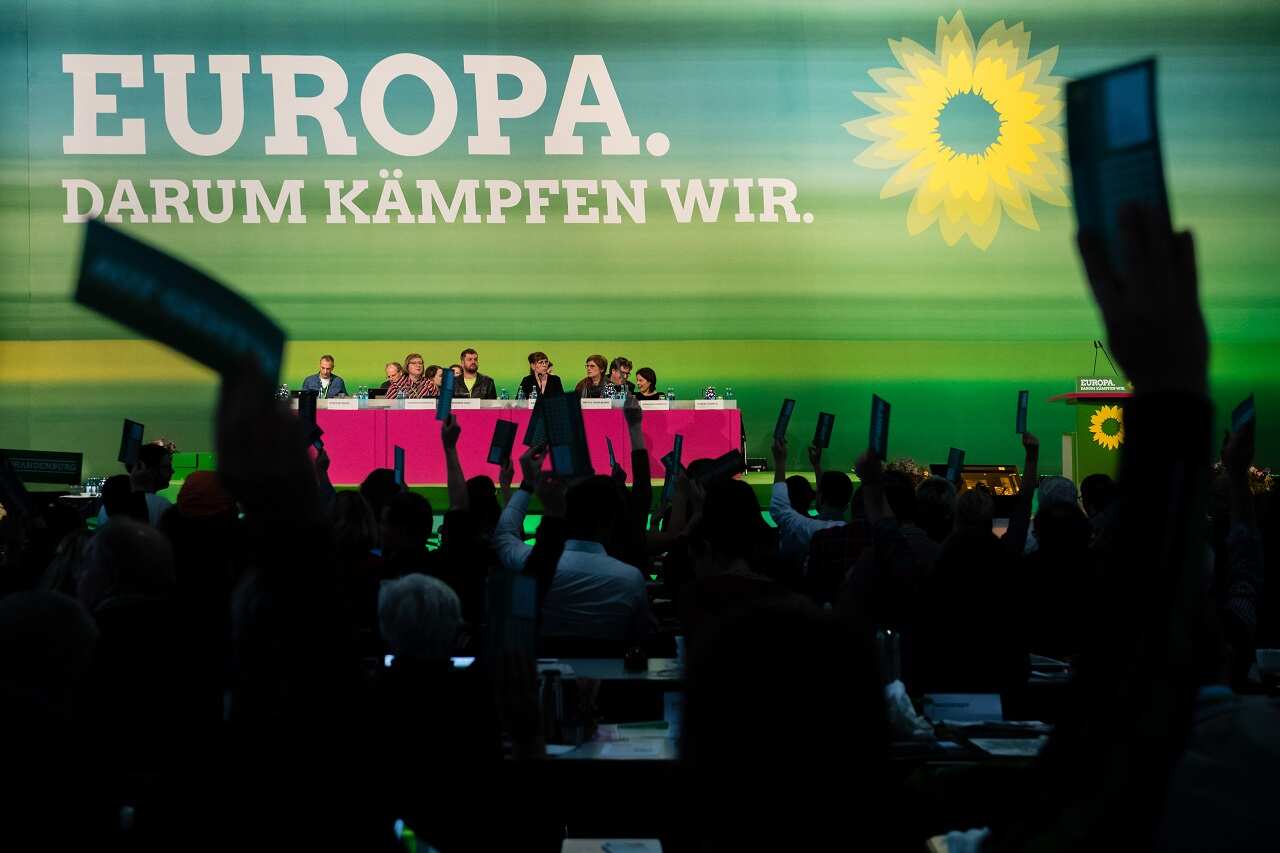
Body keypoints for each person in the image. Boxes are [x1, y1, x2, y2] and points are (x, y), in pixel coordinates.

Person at [492, 451, 655, 647]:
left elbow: (503, 536)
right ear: (611, 523)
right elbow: (642, 635)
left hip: (543, 674)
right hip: (609, 675)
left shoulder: (530, 561)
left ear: (565, 512)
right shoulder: (631, 578)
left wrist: (527, 483)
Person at [95, 443, 174, 527]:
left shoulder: (106, 507)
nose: (172, 471)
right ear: (144, 468)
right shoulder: (162, 507)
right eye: (167, 467)